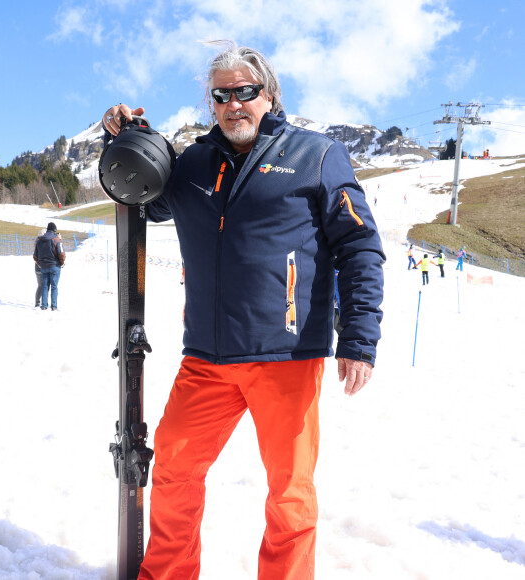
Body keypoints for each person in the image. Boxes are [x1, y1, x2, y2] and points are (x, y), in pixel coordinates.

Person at [102, 41, 385, 580]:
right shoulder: (193, 165)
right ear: (212, 103)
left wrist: (358, 339)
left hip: (287, 357)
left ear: (269, 95)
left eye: (246, 92)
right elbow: (140, 191)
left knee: (289, 493)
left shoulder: (316, 156)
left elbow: (360, 246)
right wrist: (125, 138)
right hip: (206, 357)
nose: (235, 104)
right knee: (174, 472)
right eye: (222, 95)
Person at [33, 222, 65, 311]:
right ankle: (54, 306)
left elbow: (35, 255)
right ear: (54, 230)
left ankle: (43, 305)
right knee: (54, 286)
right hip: (55, 266)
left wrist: (40, 263)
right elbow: (61, 254)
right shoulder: (56, 240)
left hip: (44, 267)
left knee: (44, 286)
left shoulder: (39, 241)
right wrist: (61, 263)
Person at [34, 228, 45, 307]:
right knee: (45, 285)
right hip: (44, 267)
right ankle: (43, 302)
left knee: (40, 285)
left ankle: (37, 302)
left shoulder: (36, 243)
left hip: (37, 267)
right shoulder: (44, 244)